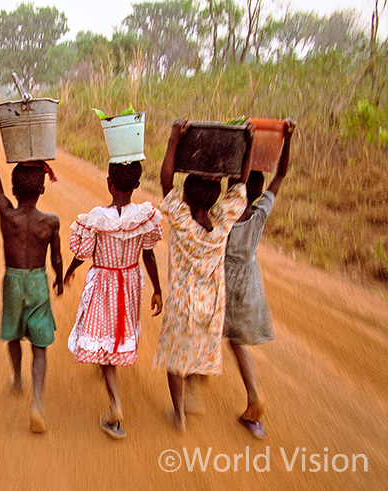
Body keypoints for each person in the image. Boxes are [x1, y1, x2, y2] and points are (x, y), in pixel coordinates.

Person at [153, 118, 253, 433]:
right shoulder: (222, 223)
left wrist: (173, 139)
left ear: (185, 197)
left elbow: (166, 182)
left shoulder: (181, 222)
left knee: (175, 359)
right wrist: (247, 145)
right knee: (198, 348)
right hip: (211, 306)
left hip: (182, 304)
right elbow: (240, 187)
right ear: (215, 199)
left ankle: (179, 414)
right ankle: (194, 387)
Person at [64, 160, 163, 439]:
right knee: (119, 330)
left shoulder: (96, 218)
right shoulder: (143, 215)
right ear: (137, 184)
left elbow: (83, 254)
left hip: (104, 282)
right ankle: (110, 362)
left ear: (109, 183)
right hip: (130, 282)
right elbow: (149, 254)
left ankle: (115, 406)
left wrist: (69, 271)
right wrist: (157, 289)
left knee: (104, 335)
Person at [0, 107, 63, 434]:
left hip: (13, 281)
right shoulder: (50, 222)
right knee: (40, 347)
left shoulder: (7, 216)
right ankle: (37, 404)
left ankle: (17, 377)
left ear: (13, 190)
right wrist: (59, 279)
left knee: (14, 334)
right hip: (38, 281)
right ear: (42, 189)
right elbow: (56, 257)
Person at [225, 119, 296, 439]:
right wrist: (288, 139)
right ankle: (250, 395)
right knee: (235, 337)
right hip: (249, 280)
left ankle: (249, 394)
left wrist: (247, 144)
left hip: (225, 277)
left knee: (219, 331)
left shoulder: (225, 214)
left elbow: (235, 183)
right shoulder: (261, 211)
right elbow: (280, 175)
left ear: (234, 189)